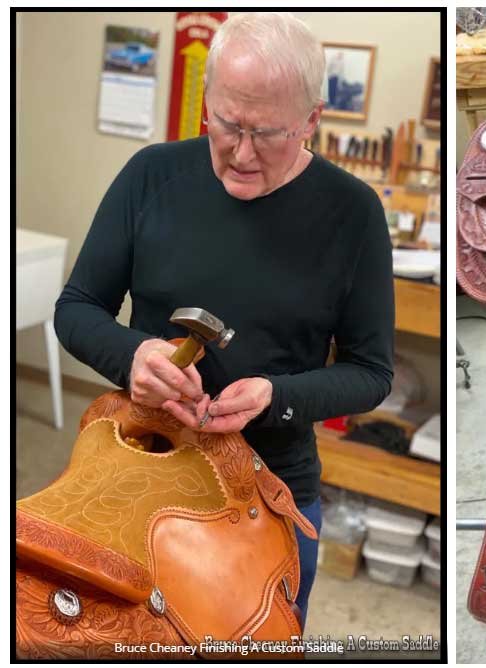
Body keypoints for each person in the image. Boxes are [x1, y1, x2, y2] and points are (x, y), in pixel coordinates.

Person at [54, 12, 394, 629]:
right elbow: (76, 308)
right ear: (208, 102)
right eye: (227, 124)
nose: (241, 153)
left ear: (312, 120)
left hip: (268, 487)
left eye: (267, 134)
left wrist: (275, 396)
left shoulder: (354, 213)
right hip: (142, 464)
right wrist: (134, 356)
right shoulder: (151, 176)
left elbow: (371, 372)